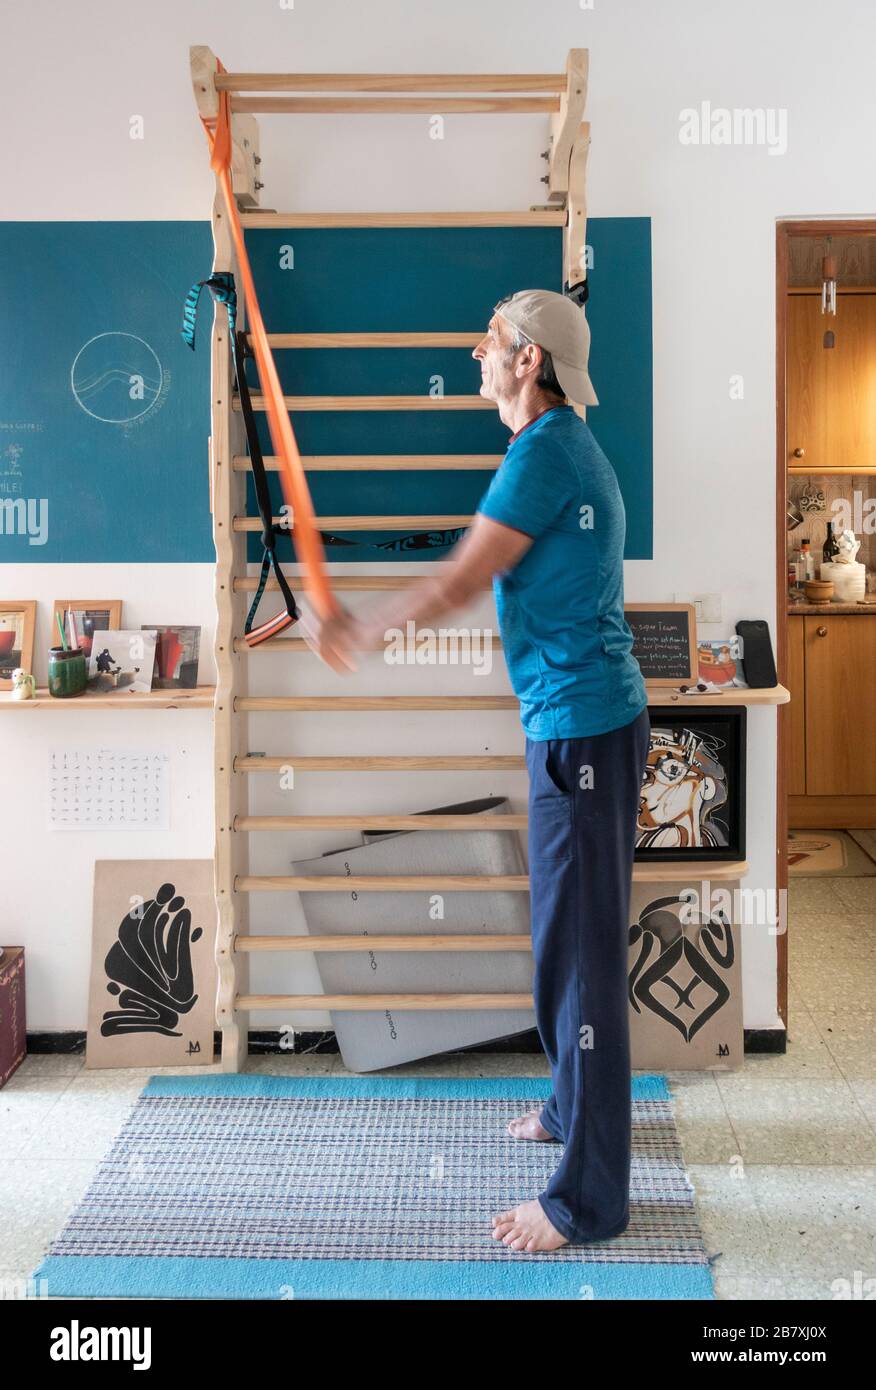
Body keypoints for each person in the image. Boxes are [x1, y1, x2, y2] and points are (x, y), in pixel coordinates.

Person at [306, 288, 650, 1253]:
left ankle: (589, 1198)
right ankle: (569, 1106)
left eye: (491, 340)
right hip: (575, 728)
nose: (474, 350)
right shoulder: (549, 451)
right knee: (561, 946)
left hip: (582, 736)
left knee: (579, 963)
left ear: (529, 361)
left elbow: (460, 579)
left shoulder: (546, 456)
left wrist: (359, 630)